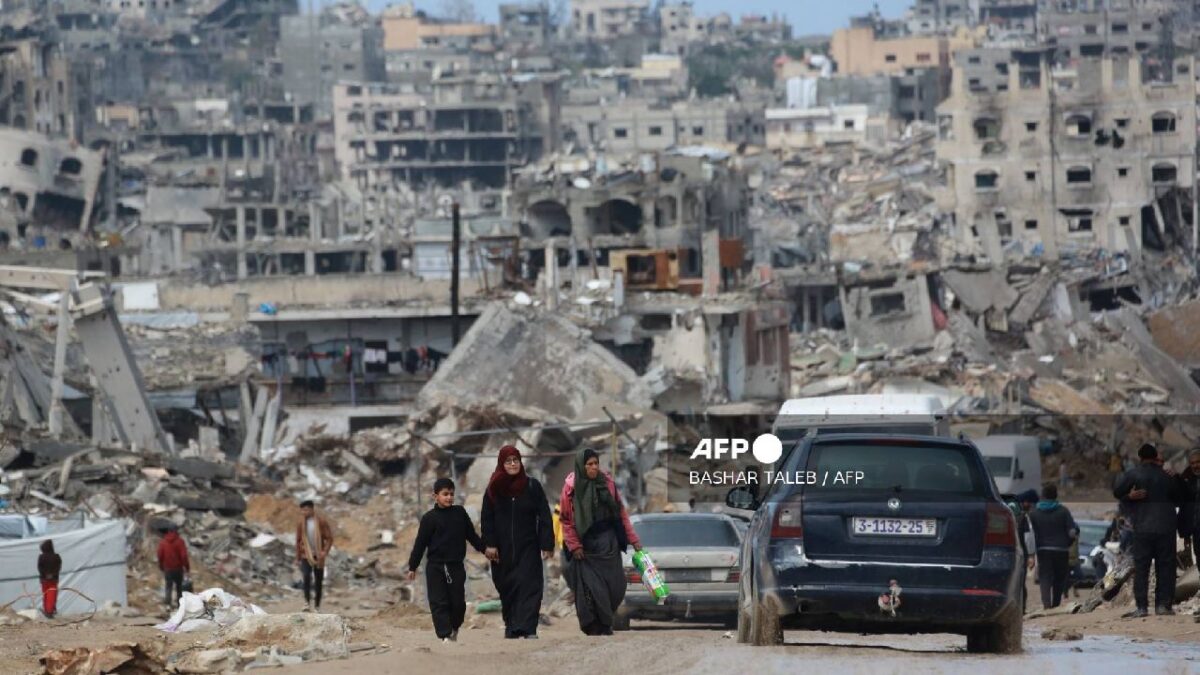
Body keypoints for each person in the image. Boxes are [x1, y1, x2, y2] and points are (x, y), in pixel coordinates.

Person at [560, 448, 642, 636]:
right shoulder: (571, 488)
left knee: (616, 586)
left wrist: (633, 540)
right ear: (582, 466)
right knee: (591, 589)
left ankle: (605, 619)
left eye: (596, 463)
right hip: (585, 546)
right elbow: (566, 520)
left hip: (608, 543)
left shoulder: (607, 484)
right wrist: (575, 546)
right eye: (589, 464)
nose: (593, 467)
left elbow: (621, 513)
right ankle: (596, 625)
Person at [481, 446, 554, 639]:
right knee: (507, 587)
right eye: (508, 461)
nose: (513, 464)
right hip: (501, 550)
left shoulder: (532, 486)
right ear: (501, 464)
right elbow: (486, 518)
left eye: (516, 460)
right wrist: (489, 544)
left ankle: (529, 628)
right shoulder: (493, 489)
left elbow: (545, 515)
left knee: (530, 586)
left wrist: (546, 544)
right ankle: (512, 626)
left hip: (528, 547)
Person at [407, 478, 486, 643]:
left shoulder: (460, 513)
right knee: (438, 602)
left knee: (458, 603)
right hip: (435, 567)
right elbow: (420, 544)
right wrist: (412, 566)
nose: (449, 497)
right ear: (435, 496)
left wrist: (485, 550)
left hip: (455, 566)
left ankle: (454, 628)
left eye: (451, 494)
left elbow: (471, 536)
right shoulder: (429, 518)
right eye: (445, 494)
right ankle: (445, 636)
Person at [1114, 443, 1182, 617]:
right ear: (1155, 458)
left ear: (1140, 457)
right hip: (1166, 527)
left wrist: (1129, 496)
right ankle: (1163, 606)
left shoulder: (1134, 474)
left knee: (1142, 568)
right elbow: (1182, 496)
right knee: (1166, 567)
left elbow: (1117, 491)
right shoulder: (1167, 476)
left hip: (1143, 527)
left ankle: (1142, 608)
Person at [1027, 484, 1078, 609]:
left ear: (1042, 496)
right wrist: (1069, 542)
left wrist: (1031, 553)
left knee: (1045, 577)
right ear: (1055, 496)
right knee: (1059, 578)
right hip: (1061, 550)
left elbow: (1030, 534)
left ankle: (1046, 605)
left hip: (1043, 550)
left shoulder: (1034, 513)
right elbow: (1072, 531)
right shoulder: (1063, 511)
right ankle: (1056, 604)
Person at [295, 500, 334, 611]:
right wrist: (298, 557)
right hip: (305, 555)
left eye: (306, 510)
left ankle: (317, 606)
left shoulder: (321, 522)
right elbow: (298, 541)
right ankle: (307, 603)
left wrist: (324, 552)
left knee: (318, 580)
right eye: (302, 510)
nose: (304, 512)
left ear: (312, 509)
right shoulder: (301, 524)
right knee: (306, 577)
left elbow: (329, 538)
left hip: (319, 555)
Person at [1005, 489, 1038, 613]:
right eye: (1032, 504)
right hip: (1019, 553)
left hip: (1003, 552)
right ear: (1026, 502)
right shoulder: (1022, 516)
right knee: (1020, 582)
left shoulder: (1004, 508)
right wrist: (1031, 555)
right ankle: (1021, 609)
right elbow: (1028, 537)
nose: (1032, 507)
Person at [156, 524, 189, 609]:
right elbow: (184, 556)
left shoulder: (163, 542)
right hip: (178, 568)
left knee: (168, 586)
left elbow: (160, 555)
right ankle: (179, 604)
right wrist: (187, 567)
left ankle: (168, 604)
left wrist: (161, 565)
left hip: (167, 568)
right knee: (179, 587)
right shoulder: (180, 541)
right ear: (176, 531)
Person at [1176, 450, 1200, 566]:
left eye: (1198, 462)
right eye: (1193, 463)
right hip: (1196, 532)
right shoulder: (1188, 481)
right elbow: (1184, 508)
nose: (1196, 465)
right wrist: (1185, 534)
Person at [38, 540, 62, 618]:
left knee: (45, 594)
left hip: (44, 580)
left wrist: (45, 575)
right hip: (53, 580)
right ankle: (50, 611)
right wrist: (52, 575)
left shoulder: (41, 557)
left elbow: (40, 568)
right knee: (52, 595)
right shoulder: (56, 557)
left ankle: (47, 610)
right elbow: (58, 568)